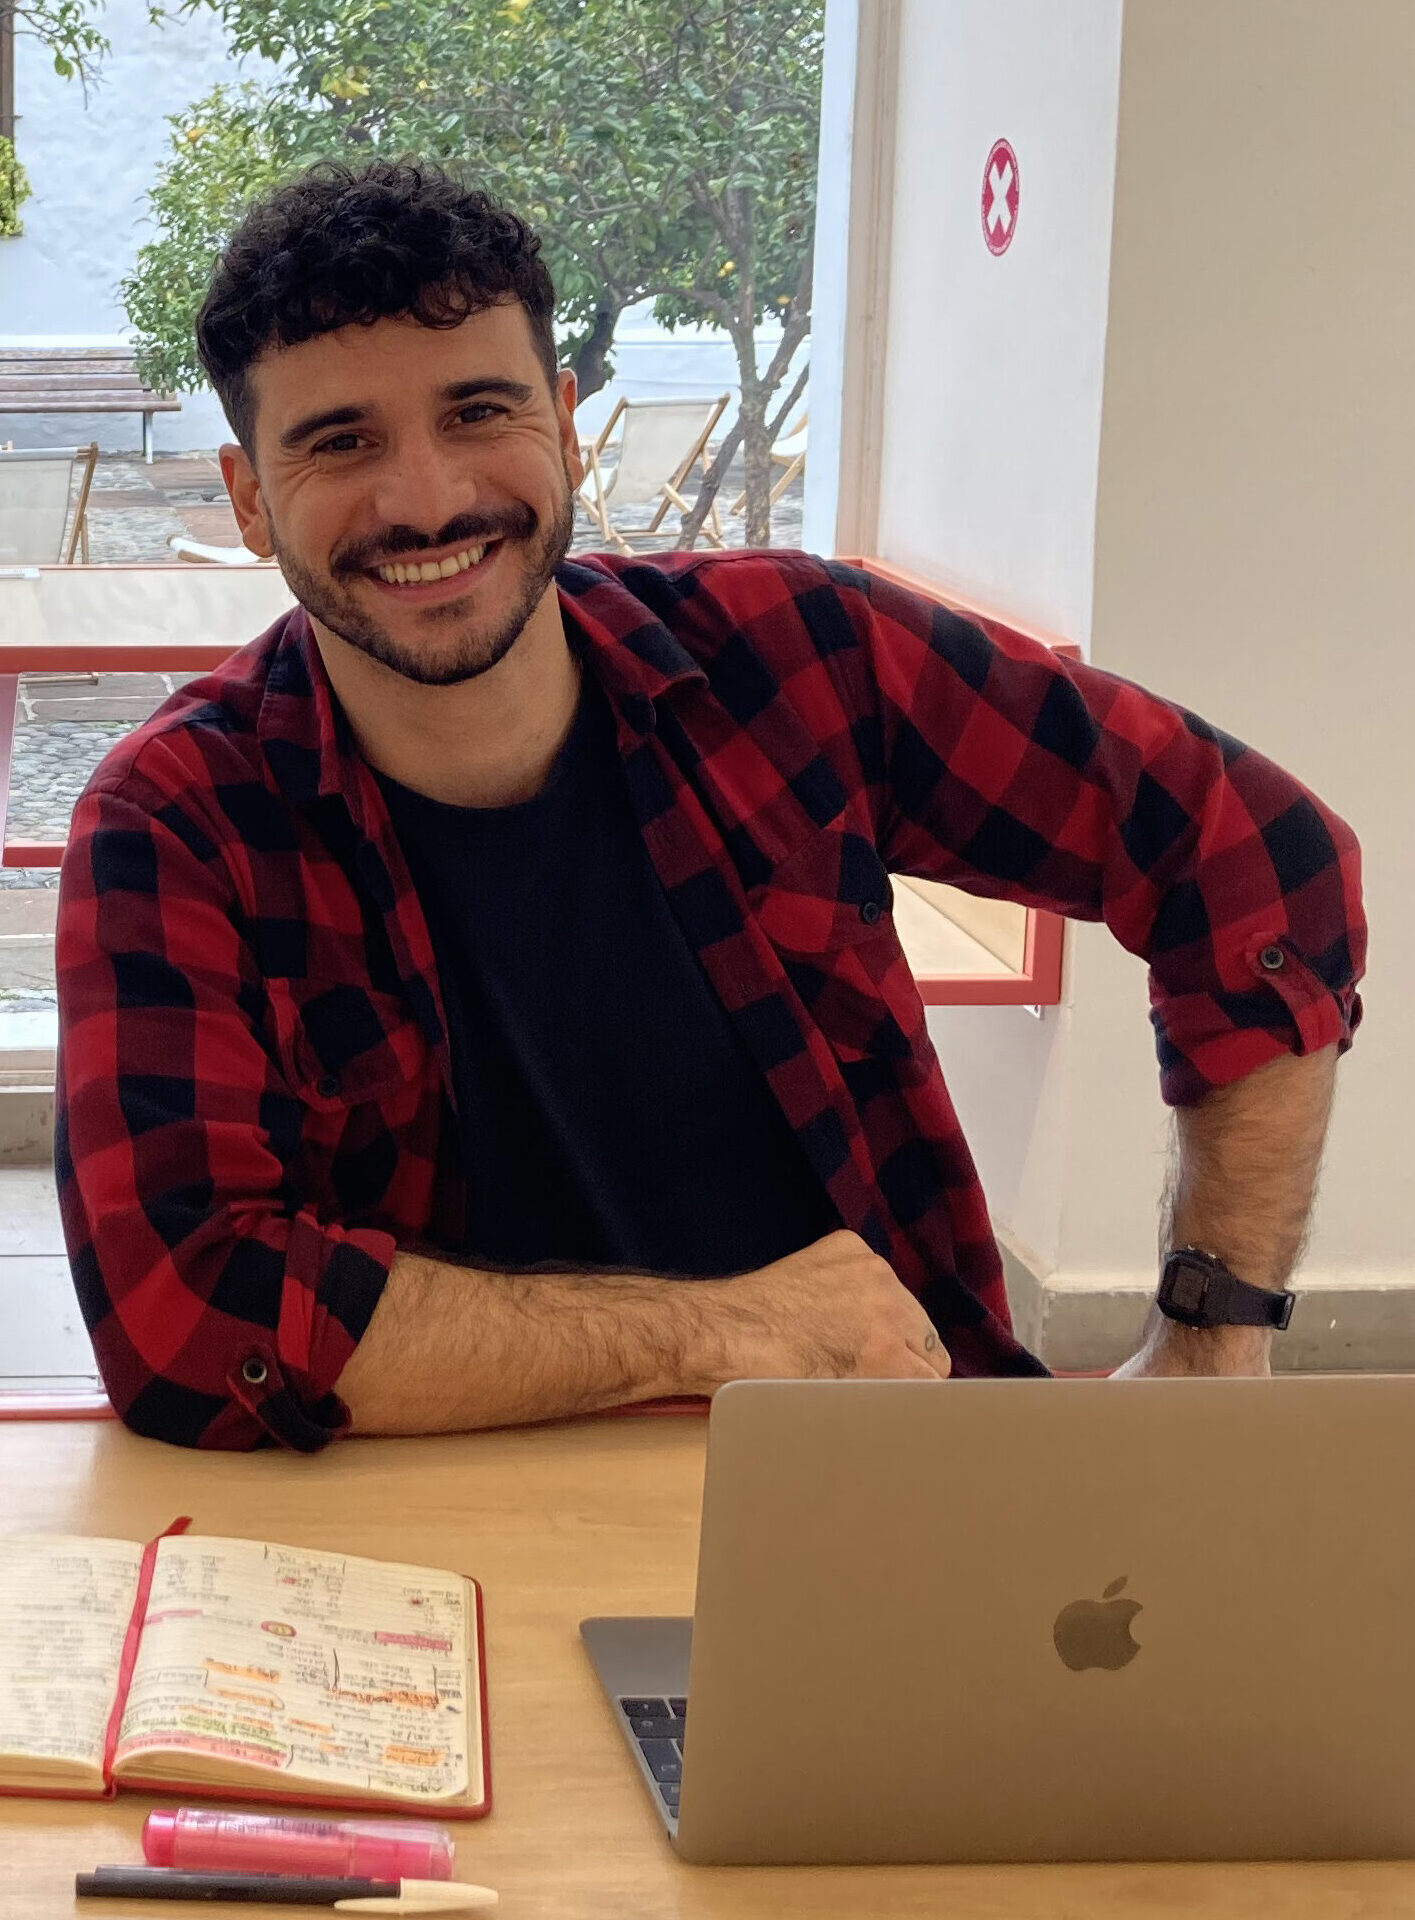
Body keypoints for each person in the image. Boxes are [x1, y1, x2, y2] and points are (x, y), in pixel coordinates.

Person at [55, 162, 1364, 1451]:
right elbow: (187, 1316)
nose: (428, 500)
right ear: (249, 499)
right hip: (438, 1529)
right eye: (341, 442)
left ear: (567, 426)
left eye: (479, 412)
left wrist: (1211, 1336)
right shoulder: (178, 824)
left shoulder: (802, 656)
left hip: (902, 1470)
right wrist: (715, 1334)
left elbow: (1255, 857)